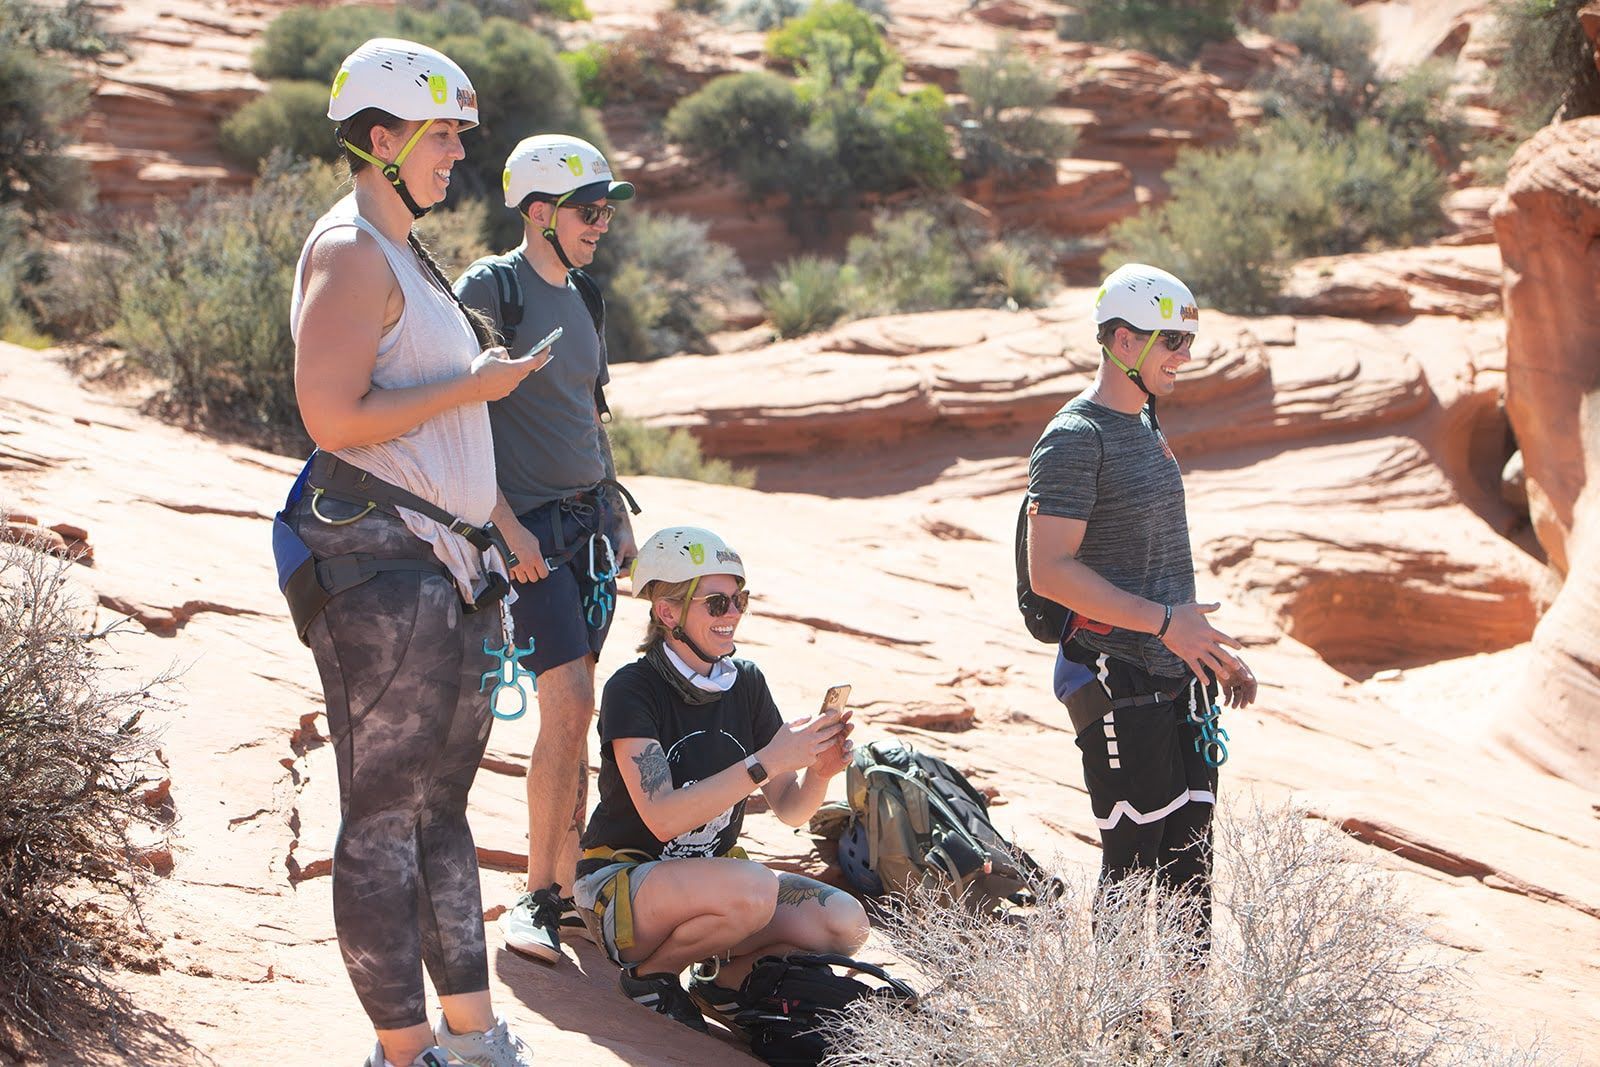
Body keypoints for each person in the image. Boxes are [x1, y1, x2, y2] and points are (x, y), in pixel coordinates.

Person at [290, 37, 548, 1067]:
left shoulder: (403, 252)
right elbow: (328, 415)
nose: (455, 153)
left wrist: (505, 534)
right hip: (378, 562)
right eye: (440, 134)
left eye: (457, 136)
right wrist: (472, 387)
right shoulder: (349, 247)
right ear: (382, 138)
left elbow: (435, 428)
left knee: (441, 808)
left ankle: (472, 1039)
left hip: (447, 565)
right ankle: (404, 1053)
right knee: (384, 816)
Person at [1024, 263, 1258, 960]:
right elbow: (1050, 571)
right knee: (1133, 864)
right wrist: (1163, 624)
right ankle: (1117, 1042)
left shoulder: (1147, 422)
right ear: (1124, 342)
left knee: (1192, 865)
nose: (1186, 358)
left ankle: (1189, 1041)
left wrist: (1206, 648)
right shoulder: (1075, 438)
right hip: (1113, 674)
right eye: (1173, 343)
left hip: (1176, 677)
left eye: (1189, 341)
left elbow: (1158, 558)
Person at [453, 134, 641, 965]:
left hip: (588, 527)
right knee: (567, 701)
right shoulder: (491, 289)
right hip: (526, 538)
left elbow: (589, 410)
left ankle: (564, 892)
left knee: (583, 703)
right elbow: (457, 414)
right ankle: (533, 899)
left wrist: (618, 502)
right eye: (589, 211)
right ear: (540, 213)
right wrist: (504, 526)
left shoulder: (586, 295)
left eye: (605, 210)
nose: (603, 225)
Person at [572, 526, 870, 1031]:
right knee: (753, 886)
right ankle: (653, 972)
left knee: (845, 922)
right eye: (716, 603)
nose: (732, 614)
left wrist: (818, 772)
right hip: (624, 888)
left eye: (739, 599)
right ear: (667, 614)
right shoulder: (633, 687)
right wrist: (768, 761)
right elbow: (663, 817)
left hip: (722, 888)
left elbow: (792, 809)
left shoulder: (746, 681)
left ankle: (721, 982)